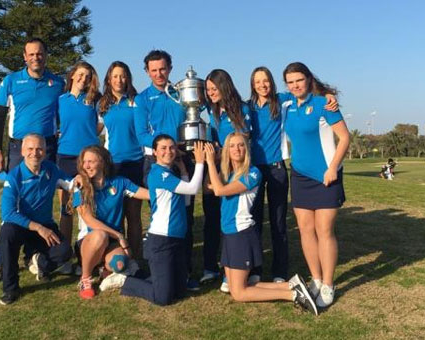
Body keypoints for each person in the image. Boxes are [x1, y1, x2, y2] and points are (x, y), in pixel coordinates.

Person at [203, 132, 318, 315]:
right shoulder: (228, 173)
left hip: (241, 234)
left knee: (239, 294)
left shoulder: (253, 173)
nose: (236, 149)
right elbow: (207, 188)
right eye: (231, 146)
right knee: (239, 286)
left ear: (247, 149)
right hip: (230, 234)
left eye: (240, 145)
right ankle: (292, 286)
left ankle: (293, 296)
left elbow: (218, 190)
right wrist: (215, 163)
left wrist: (209, 162)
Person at [0, 37, 65, 284]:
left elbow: (65, 115)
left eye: (40, 54)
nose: (35, 58)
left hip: (48, 147)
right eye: (31, 54)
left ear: (46, 55)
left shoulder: (57, 83)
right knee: (14, 201)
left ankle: (34, 255)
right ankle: (1, 260)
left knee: (40, 200)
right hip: (19, 148)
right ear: (24, 57)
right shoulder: (11, 81)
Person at [248, 66, 338, 283]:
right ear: (253, 85)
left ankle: (279, 271)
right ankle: (256, 270)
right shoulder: (247, 107)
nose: (263, 85)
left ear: (272, 82)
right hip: (254, 170)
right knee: (255, 221)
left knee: (279, 222)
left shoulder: (283, 101)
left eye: (266, 81)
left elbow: (306, 91)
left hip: (277, 168)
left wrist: (327, 95)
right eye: (258, 82)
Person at [283, 62, 349, 308]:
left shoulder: (324, 103)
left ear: (308, 79)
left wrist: (332, 168)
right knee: (305, 230)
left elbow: (344, 138)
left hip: (325, 178)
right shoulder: (286, 105)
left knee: (324, 231)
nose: (295, 85)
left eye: (299, 80)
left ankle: (329, 284)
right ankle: (316, 279)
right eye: (290, 82)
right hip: (299, 176)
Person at [133, 50, 198, 290]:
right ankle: (161, 268)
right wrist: (167, 148)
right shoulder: (142, 99)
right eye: (154, 70)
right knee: (161, 218)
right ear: (147, 72)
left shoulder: (181, 94)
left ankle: (185, 271)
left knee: (186, 216)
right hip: (157, 164)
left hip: (184, 159)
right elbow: (141, 134)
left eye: (163, 68)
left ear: (170, 68)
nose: (159, 74)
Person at [120, 136, 204, 306]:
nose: (168, 151)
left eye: (172, 148)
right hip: (161, 241)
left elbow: (187, 199)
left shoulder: (170, 172)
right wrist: (201, 162)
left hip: (176, 239)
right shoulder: (158, 173)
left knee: (180, 292)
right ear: (155, 152)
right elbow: (194, 188)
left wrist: (183, 169)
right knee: (162, 298)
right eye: (163, 148)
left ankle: (156, 280)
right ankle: (125, 282)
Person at [0, 134, 73, 305]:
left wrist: (79, 180)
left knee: (65, 251)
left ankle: (37, 261)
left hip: (44, 225)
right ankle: (11, 288)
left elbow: (70, 182)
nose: (35, 153)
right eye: (30, 149)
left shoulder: (51, 169)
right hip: (20, 225)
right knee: (6, 234)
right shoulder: (14, 176)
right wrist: (38, 227)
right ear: (22, 151)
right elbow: (7, 214)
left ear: (45, 151)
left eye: (39, 149)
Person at [71, 145, 149, 299]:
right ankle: (85, 278)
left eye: (91, 162)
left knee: (120, 264)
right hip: (90, 241)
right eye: (84, 162)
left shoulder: (119, 182)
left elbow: (146, 194)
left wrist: (169, 187)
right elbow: (88, 219)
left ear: (103, 162)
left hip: (111, 243)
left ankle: (105, 270)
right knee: (100, 235)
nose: (86, 166)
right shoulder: (80, 186)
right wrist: (119, 236)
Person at [200, 69, 252, 287]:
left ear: (225, 86)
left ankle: (232, 269)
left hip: (235, 173)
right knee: (211, 219)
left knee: (229, 222)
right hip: (215, 169)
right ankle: (210, 266)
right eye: (208, 89)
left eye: (214, 88)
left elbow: (244, 138)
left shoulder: (241, 108)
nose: (211, 93)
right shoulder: (213, 111)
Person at [97, 61, 144, 260]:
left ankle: (136, 258)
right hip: (113, 166)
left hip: (136, 163)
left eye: (123, 76)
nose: (119, 80)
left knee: (133, 215)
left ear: (128, 78)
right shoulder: (102, 104)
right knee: (116, 214)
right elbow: (96, 130)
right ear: (109, 79)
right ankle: (118, 257)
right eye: (115, 76)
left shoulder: (136, 101)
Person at [56, 61, 102, 263]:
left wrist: (90, 136)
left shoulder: (94, 100)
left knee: (88, 205)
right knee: (67, 208)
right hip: (64, 156)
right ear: (73, 75)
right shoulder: (60, 100)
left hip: (88, 158)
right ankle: (65, 256)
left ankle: (88, 253)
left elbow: (101, 123)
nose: (84, 79)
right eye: (81, 75)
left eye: (88, 76)